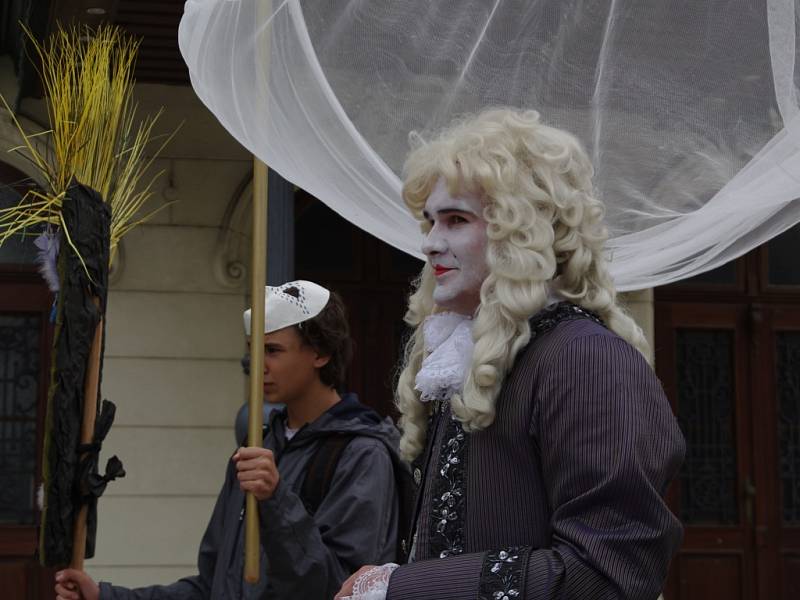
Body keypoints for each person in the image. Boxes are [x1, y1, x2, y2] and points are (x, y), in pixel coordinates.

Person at [336, 109, 686, 600]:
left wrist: (401, 588)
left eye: (456, 220)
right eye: (429, 221)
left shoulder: (587, 360)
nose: (431, 243)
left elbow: (608, 573)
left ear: (522, 232)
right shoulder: (474, 356)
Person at [56, 280, 401, 600]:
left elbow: (342, 590)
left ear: (320, 353)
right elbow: (211, 587)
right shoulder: (258, 449)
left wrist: (275, 500)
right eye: (254, 350)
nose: (257, 364)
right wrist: (107, 596)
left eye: (273, 350)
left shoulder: (362, 455)